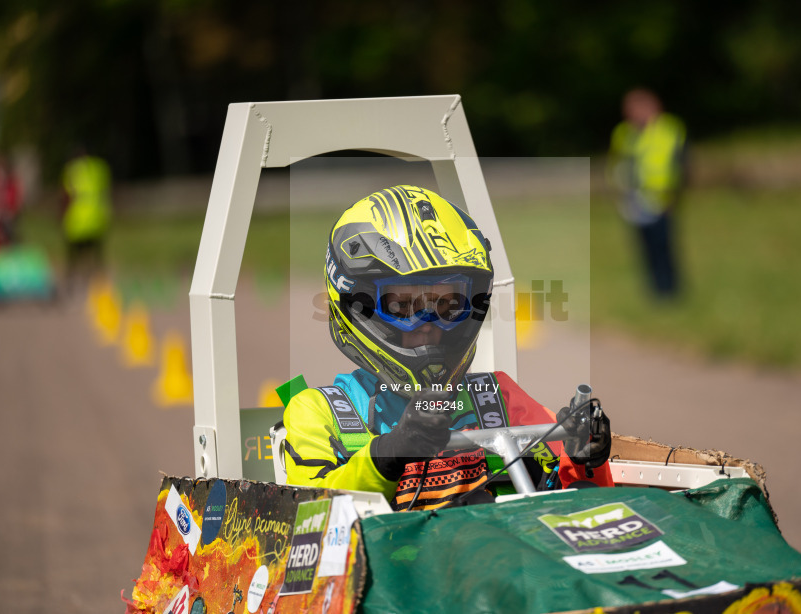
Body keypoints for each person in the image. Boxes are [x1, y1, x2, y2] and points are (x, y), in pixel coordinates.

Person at [281, 185, 612, 512]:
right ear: (357, 304)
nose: (429, 324)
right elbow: (310, 520)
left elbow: (580, 503)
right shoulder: (319, 413)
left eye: (447, 305)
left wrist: (586, 457)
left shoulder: (497, 399)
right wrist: (388, 454)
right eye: (404, 306)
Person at [608, 88, 687, 298]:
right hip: (636, 200)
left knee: (665, 247)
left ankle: (671, 290)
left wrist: (675, 196)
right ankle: (654, 291)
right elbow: (619, 164)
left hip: (663, 199)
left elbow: (682, 164)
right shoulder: (623, 133)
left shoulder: (670, 129)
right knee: (645, 248)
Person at [61, 148, 112, 289]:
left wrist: (61, 216)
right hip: (96, 219)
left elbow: (66, 196)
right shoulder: (99, 168)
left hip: (77, 220)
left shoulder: (71, 170)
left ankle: (73, 283)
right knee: (96, 256)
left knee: (74, 257)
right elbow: (105, 191)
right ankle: (98, 284)